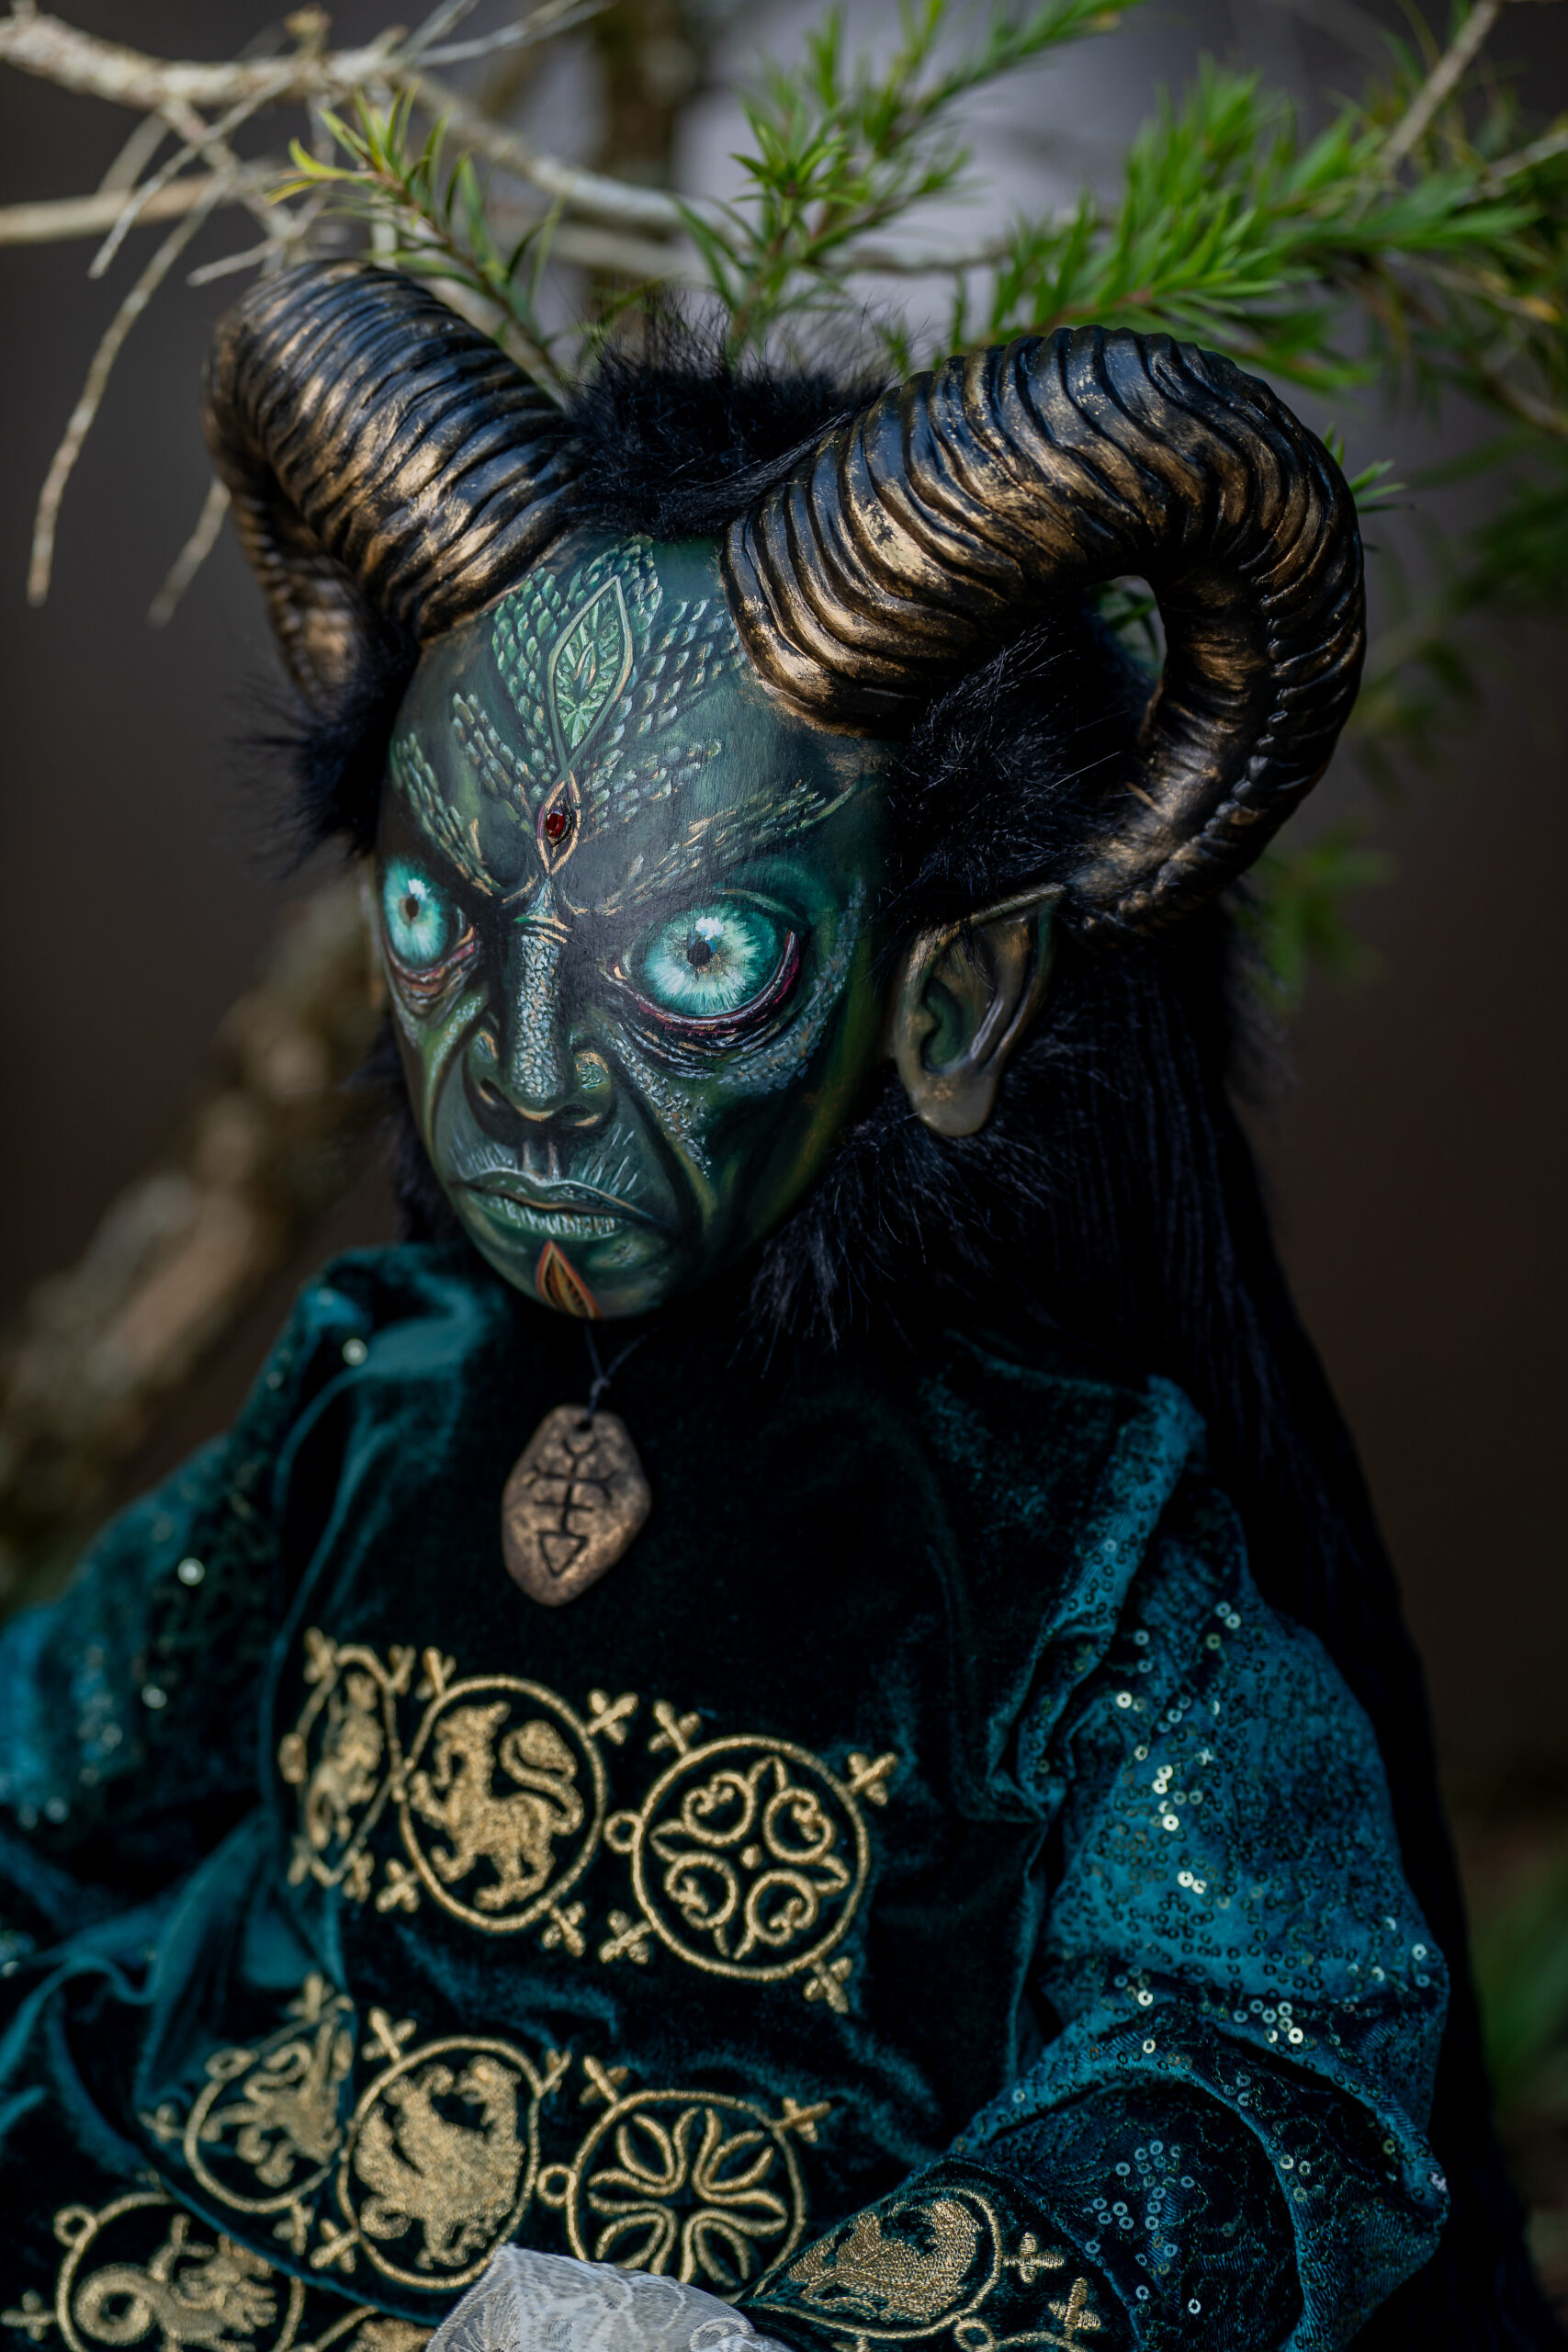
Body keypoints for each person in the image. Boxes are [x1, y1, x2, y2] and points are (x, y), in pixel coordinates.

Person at [0, 261, 1554, 2352]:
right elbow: (43, 1766)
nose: (525, 1078)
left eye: (704, 962)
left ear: (952, 997)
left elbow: (1264, 2055)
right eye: (435, 918)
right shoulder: (371, 1395)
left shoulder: (1059, 1531)